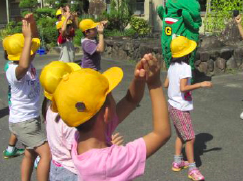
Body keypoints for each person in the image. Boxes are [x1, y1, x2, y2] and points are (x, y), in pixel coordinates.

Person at [51, 53, 171, 181]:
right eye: (110, 95)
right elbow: (161, 133)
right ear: (106, 113)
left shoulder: (80, 138)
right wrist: (154, 84)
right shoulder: (108, 163)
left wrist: (139, 79)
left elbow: (130, 101)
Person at [2, 13, 51, 181]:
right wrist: (28, 38)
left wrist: (32, 25)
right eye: (28, 50)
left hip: (30, 119)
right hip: (24, 122)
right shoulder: (12, 70)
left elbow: (34, 41)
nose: (32, 53)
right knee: (46, 154)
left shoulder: (26, 61)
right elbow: (22, 64)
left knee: (30, 154)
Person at [163, 36, 212, 181]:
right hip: (180, 107)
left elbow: (166, 84)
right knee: (190, 138)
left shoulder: (171, 66)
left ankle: (178, 161)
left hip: (172, 105)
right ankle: (192, 169)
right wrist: (201, 84)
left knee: (180, 135)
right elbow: (183, 88)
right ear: (187, 53)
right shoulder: (185, 67)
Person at [2, 56, 25, 159]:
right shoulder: (13, 67)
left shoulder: (9, 65)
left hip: (13, 100)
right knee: (22, 125)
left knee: (17, 126)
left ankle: (10, 149)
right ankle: (35, 156)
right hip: (18, 101)